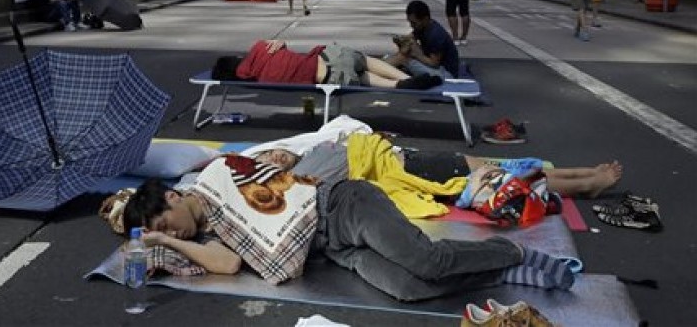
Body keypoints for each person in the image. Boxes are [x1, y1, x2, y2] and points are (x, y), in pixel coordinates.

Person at [123, 164, 576, 302]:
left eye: (165, 223)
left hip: (343, 206)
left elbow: (274, 164)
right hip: (334, 249)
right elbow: (230, 264)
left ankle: (510, 253)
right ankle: (498, 273)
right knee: (408, 286)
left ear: (173, 199)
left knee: (426, 260)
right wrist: (164, 242)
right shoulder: (213, 237)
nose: (170, 231)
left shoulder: (217, 178)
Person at [255, 143, 623, 200]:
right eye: (268, 160)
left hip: (414, 157)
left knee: (506, 169)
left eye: (274, 151)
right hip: (418, 170)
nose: (276, 156)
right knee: (510, 180)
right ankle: (590, 182)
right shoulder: (303, 177)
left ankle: (584, 175)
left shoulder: (313, 151)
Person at [212, 39, 441, 90]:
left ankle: (396, 86)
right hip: (332, 61)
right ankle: (404, 79)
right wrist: (280, 42)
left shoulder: (260, 81)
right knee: (363, 60)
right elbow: (281, 48)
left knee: (359, 77)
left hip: (333, 79)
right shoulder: (261, 48)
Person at [387, 0, 459, 80]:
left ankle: (377, 68)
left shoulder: (435, 34)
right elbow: (409, 38)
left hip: (446, 74)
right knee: (404, 52)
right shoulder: (423, 26)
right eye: (410, 22)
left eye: (414, 23)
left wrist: (416, 54)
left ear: (425, 19)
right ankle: (378, 67)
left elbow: (434, 63)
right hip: (434, 66)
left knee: (404, 59)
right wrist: (400, 41)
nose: (411, 25)